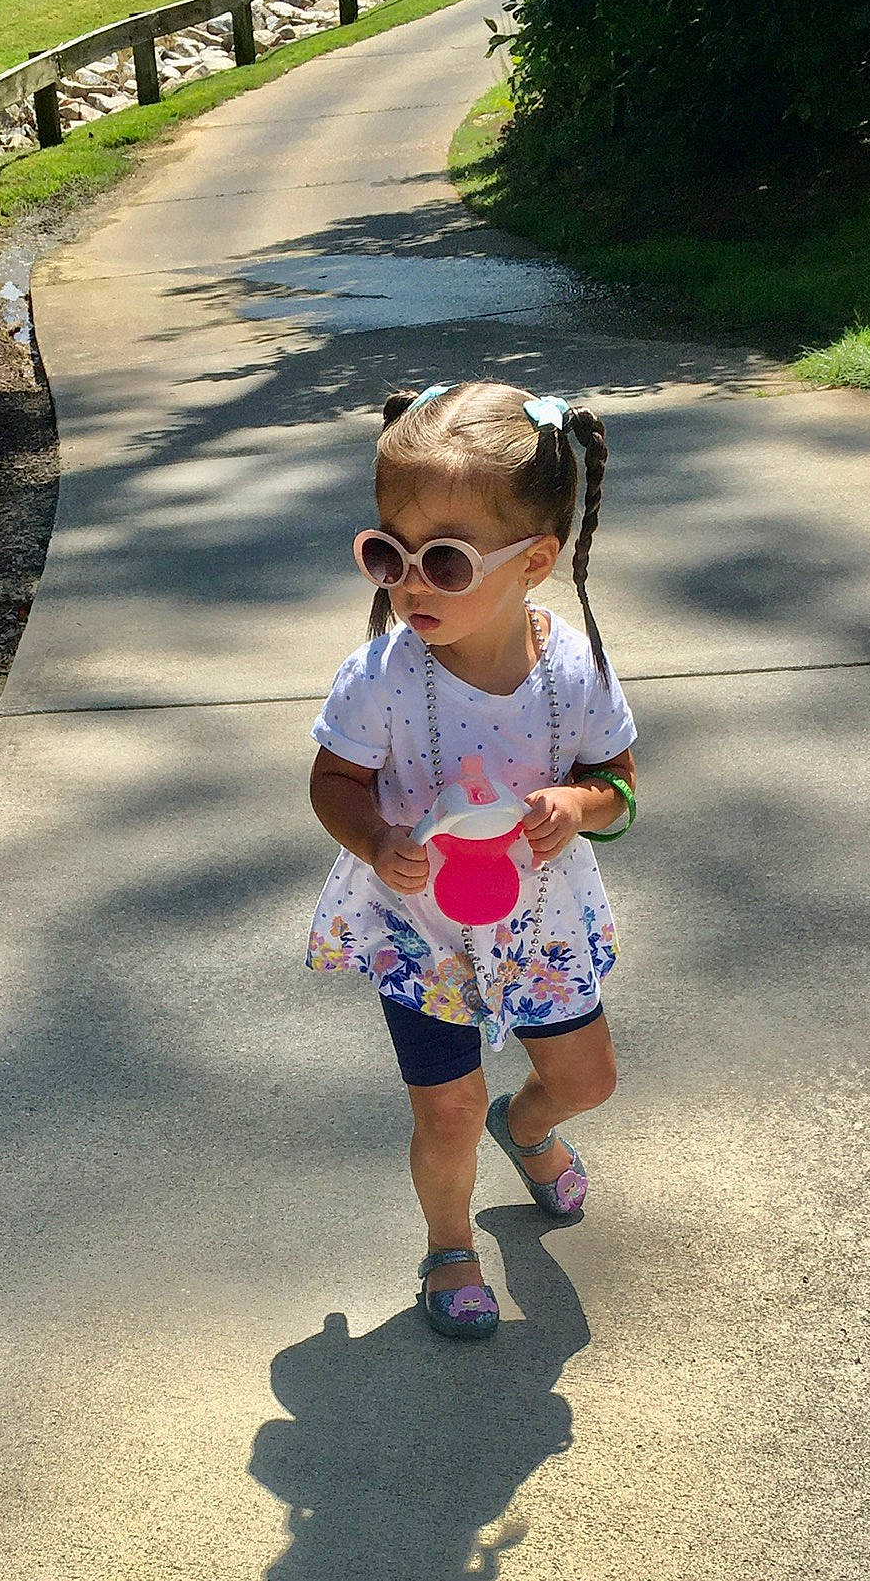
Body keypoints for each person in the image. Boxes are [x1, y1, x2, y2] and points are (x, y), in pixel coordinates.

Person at [306, 381, 638, 1340]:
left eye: (444, 561)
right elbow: (332, 781)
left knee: (588, 1079)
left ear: (535, 560)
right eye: (388, 553)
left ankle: (527, 1126)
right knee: (447, 1108)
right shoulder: (381, 679)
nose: (410, 584)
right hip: (422, 926)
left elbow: (620, 784)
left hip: (540, 923)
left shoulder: (575, 671)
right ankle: (449, 1245)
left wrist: (580, 805)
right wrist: (375, 839)